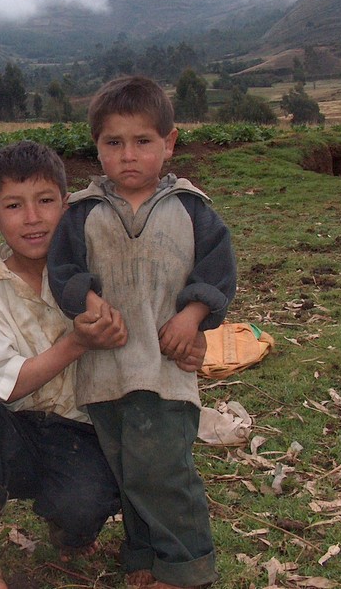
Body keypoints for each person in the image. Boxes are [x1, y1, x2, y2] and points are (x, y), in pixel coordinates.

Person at [47, 75, 237, 589]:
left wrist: (192, 316)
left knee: (164, 471)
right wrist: (89, 304)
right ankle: (143, 558)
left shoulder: (192, 209)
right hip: (105, 370)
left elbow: (217, 271)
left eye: (143, 142)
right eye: (114, 143)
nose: (128, 155)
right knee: (128, 469)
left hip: (165, 366)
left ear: (169, 143)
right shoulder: (83, 213)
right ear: (97, 148)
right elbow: (62, 271)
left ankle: (187, 566)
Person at [0, 140, 132, 589]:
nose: (32, 218)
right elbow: (4, 386)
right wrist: (75, 344)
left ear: (66, 207)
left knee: (82, 506)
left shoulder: (94, 269)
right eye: (14, 205)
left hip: (83, 430)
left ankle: (71, 528)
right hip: (18, 430)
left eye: (45, 201)